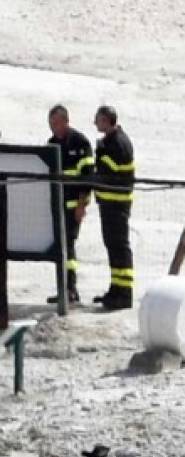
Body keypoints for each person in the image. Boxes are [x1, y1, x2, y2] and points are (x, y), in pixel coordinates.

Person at [46, 104, 94, 304]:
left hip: (74, 205)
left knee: (69, 246)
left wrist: (82, 205)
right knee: (61, 247)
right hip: (57, 205)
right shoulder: (51, 143)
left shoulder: (80, 142)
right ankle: (64, 288)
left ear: (66, 121)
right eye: (50, 124)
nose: (53, 128)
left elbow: (88, 177)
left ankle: (70, 288)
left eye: (56, 123)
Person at [92, 105, 136, 310]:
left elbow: (109, 171)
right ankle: (116, 289)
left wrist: (100, 152)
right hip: (109, 204)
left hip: (116, 205)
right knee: (113, 248)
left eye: (98, 120)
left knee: (119, 248)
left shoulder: (117, 143)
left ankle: (124, 293)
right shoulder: (112, 141)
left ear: (108, 120)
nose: (95, 123)